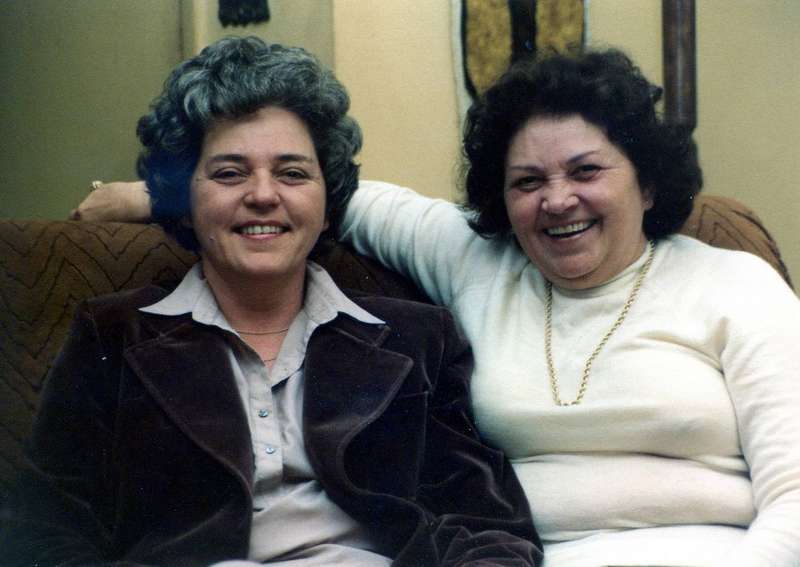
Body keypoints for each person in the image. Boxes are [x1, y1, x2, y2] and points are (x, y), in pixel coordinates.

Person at [65, 49, 800, 566]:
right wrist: (169, 192)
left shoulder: (734, 284)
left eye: (586, 171)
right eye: (527, 181)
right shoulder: (477, 260)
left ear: (648, 182)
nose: (557, 200)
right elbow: (337, 196)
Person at [0, 37, 542, 567]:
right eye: (229, 173)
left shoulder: (417, 338)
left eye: (292, 173)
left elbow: (484, 524)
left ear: (328, 204)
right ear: (183, 200)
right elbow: (44, 531)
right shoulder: (113, 334)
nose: (263, 195)